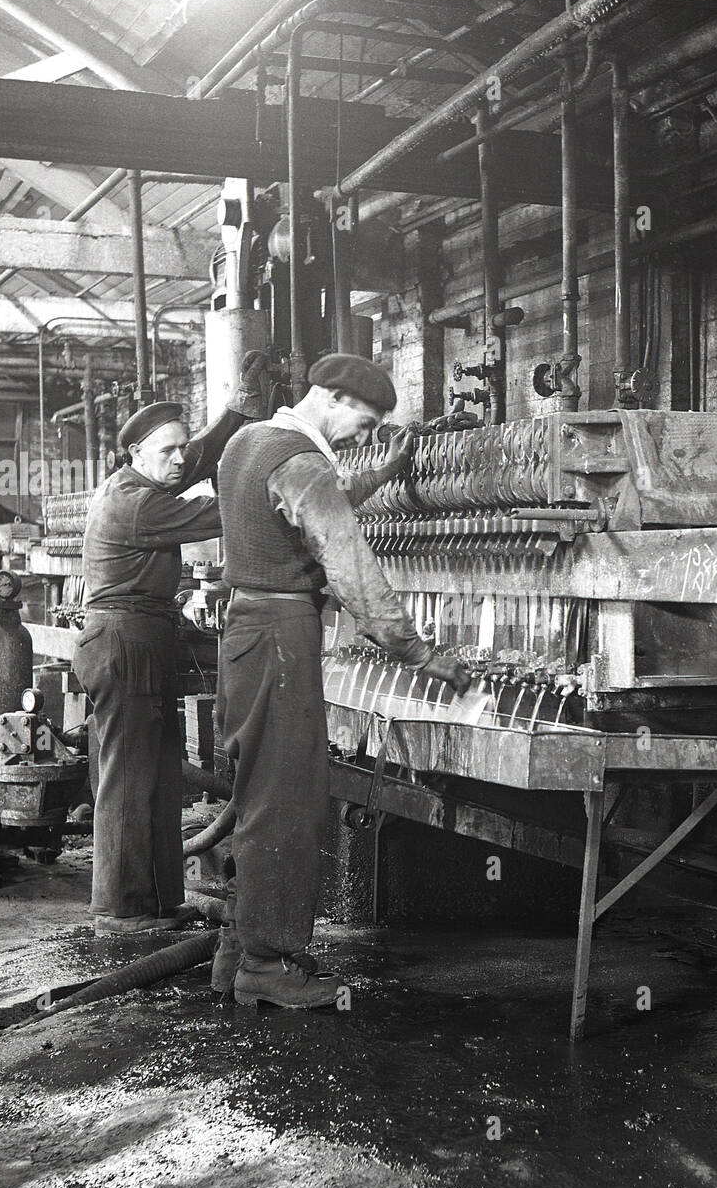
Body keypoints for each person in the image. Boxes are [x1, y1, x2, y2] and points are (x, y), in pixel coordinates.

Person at [214, 353, 469, 1008]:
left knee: (256, 790)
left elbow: (310, 509)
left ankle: (237, 950)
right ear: (329, 395)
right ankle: (267, 967)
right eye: (364, 416)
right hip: (280, 640)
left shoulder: (248, 442)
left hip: (245, 631)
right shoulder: (300, 459)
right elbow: (349, 565)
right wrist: (420, 652)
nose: (365, 431)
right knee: (287, 799)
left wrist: (383, 474)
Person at [74, 352, 269, 935]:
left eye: (181, 445)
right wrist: (276, 477)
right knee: (130, 779)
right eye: (168, 449)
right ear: (135, 455)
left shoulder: (144, 479)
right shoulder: (135, 503)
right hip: (123, 642)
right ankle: (121, 906)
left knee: (158, 775)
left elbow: (196, 459)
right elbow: (218, 511)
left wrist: (234, 410)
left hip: (142, 639)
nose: (180, 457)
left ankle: (159, 900)